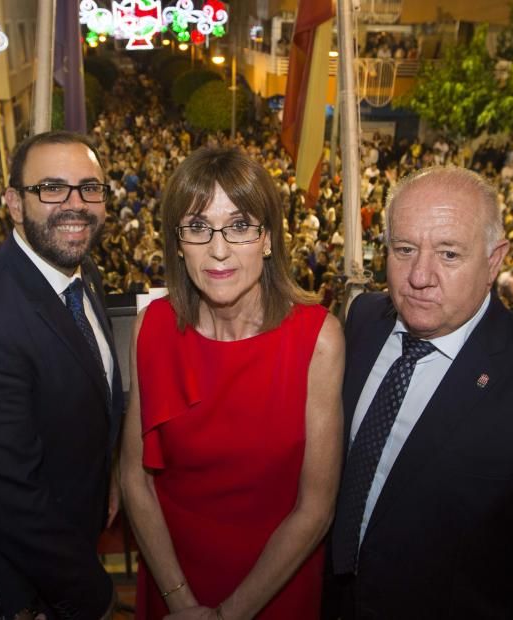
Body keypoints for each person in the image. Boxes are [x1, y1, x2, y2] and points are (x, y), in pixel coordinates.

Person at [323, 166, 513, 618]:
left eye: (449, 254)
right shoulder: (365, 320)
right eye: (405, 249)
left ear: (495, 260)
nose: (420, 275)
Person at [120, 146, 344, 619]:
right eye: (198, 228)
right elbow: (135, 480)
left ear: (267, 238)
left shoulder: (317, 338)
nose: (218, 250)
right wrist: (181, 600)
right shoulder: (153, 329)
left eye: (239, 226)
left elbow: (316, 507)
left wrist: (230, 614)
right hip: (172, 580)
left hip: (278, 586)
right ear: (178, 242)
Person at [0, 131, 124, 620]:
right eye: (52, 188)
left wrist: (108, 469)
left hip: (77, 525)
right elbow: (13, 497)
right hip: (39, 580)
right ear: (13, 203)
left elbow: (88, 392)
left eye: (90, 188)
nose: (76, 205)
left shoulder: (80, 269)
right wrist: (97, 598)